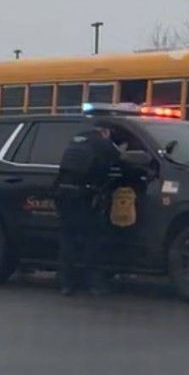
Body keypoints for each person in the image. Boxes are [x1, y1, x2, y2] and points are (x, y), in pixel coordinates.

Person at [54, 124, 122, 296]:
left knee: (68, 238)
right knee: (93, 238)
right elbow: (119, 159)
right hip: (84, 195)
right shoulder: (102, 143)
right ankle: (94, 284)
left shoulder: (76, 139)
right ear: (105, 131)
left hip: (63, 193)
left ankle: (66, 284)